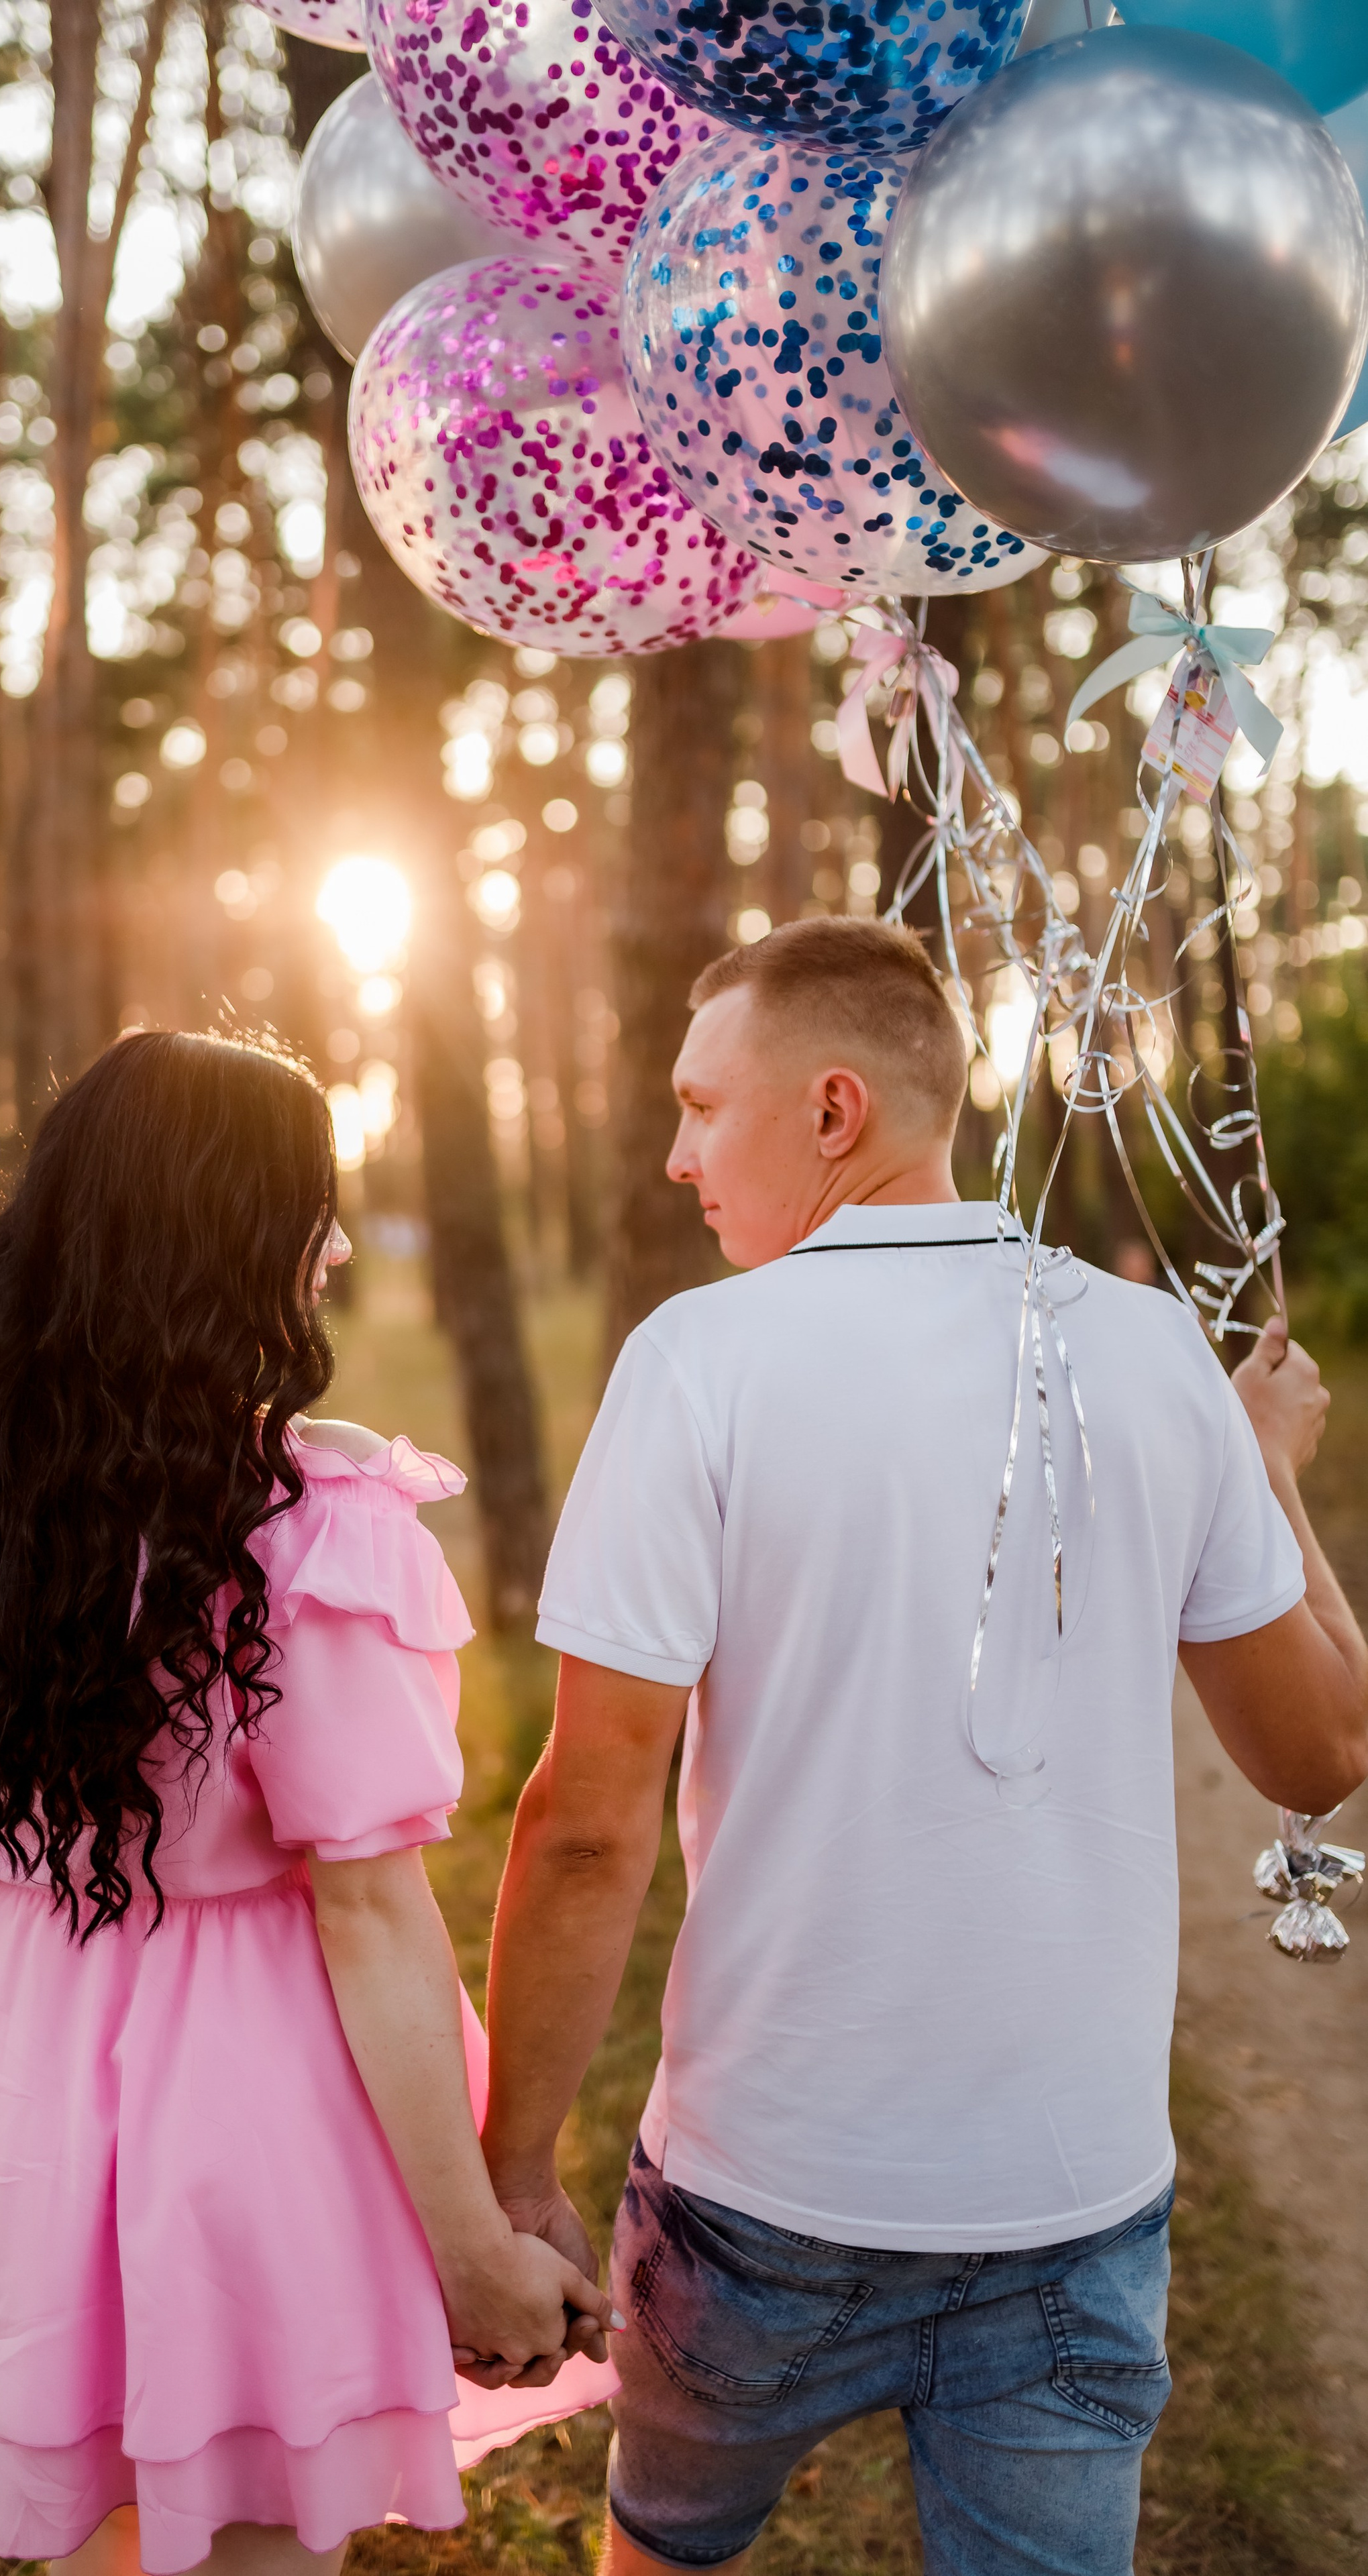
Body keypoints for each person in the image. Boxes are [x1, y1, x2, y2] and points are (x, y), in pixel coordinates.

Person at [479, 918, 1368, 2576]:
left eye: (697, 1106)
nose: (675, 1158)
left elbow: (589, 1823)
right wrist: (1267, 1473)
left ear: (829, 1112)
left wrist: (513, 2173)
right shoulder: (1151, 1349)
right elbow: (1320, 1749)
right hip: (1068, 2204)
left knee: (662, 2556)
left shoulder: (696, 1364)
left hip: (757, 2198)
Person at [0, 1030, 612, 2576]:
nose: (335, 1246)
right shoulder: (310, 1535)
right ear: (232, 1238)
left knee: (101, 2528)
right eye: (311, 1207)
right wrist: (470, 2252)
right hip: (261, 2104)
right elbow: (368, 1914)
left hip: (37, 2095)